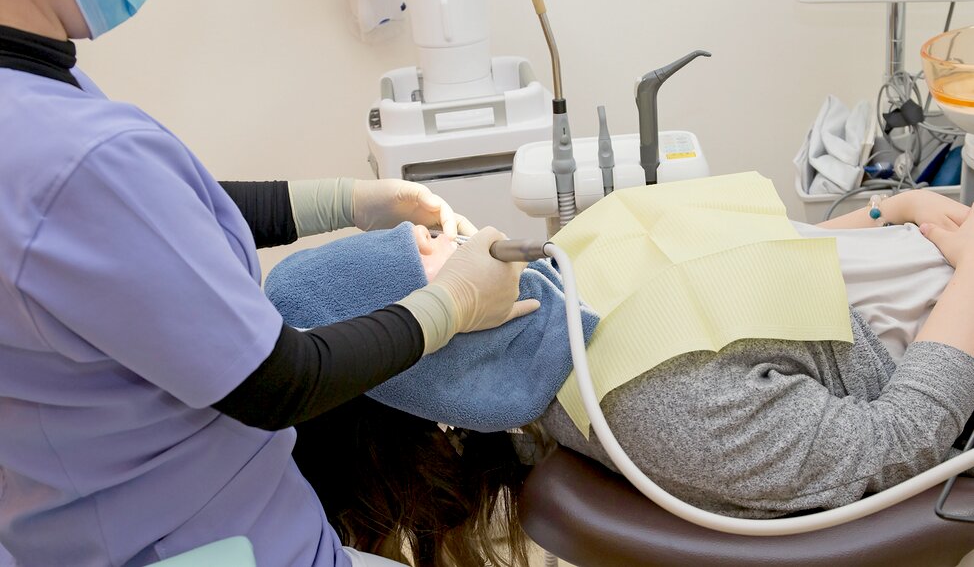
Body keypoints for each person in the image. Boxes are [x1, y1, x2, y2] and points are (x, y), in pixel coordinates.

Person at [0, 0, 539, 566]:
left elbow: (143, 220)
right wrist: (455, 302)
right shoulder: (74, 155)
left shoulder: (32, 98)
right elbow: (277, 379)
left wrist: (347, 201)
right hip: (196, 545)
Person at [264, 188, 974, 566]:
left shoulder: (565, 274)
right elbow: (901, 437)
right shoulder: (659, 409)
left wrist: (891, 209)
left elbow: (759, 259)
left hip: (933, 246)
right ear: (437, 361)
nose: (440, 235)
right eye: (422, 263)